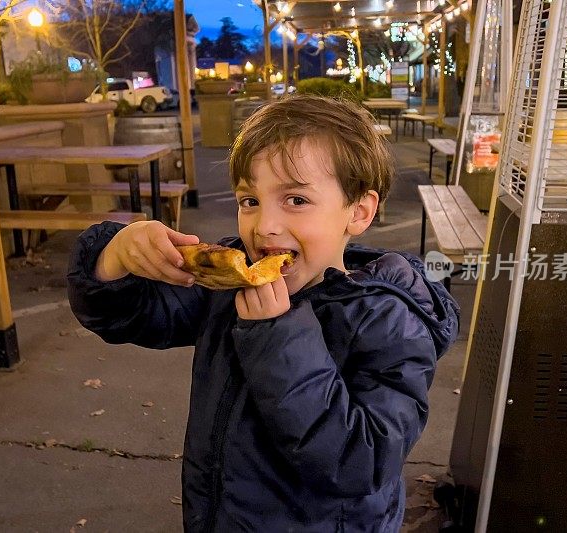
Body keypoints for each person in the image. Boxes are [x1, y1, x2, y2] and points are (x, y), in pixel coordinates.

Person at [68, 94, 460, 532]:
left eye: (295, 200)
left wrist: (276, 336)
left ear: (358, 211)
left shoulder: (388, 321)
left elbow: (362, 461)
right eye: (249, 200)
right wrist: (115, 258)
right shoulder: (230, 282)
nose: (264, 225)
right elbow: (133, 317)